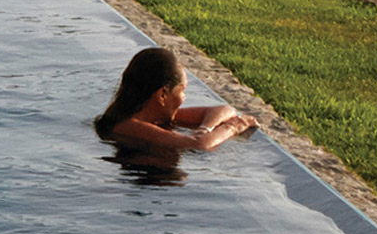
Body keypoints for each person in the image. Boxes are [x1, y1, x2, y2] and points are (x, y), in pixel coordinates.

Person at [93, 45, 255, 154]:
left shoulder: (153, 116)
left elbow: (225, 110)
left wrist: (205, 128)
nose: (184, 97)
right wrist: (233, 127)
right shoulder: (129, 126)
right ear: (162, 95)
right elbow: (199, 145)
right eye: (182, 90)